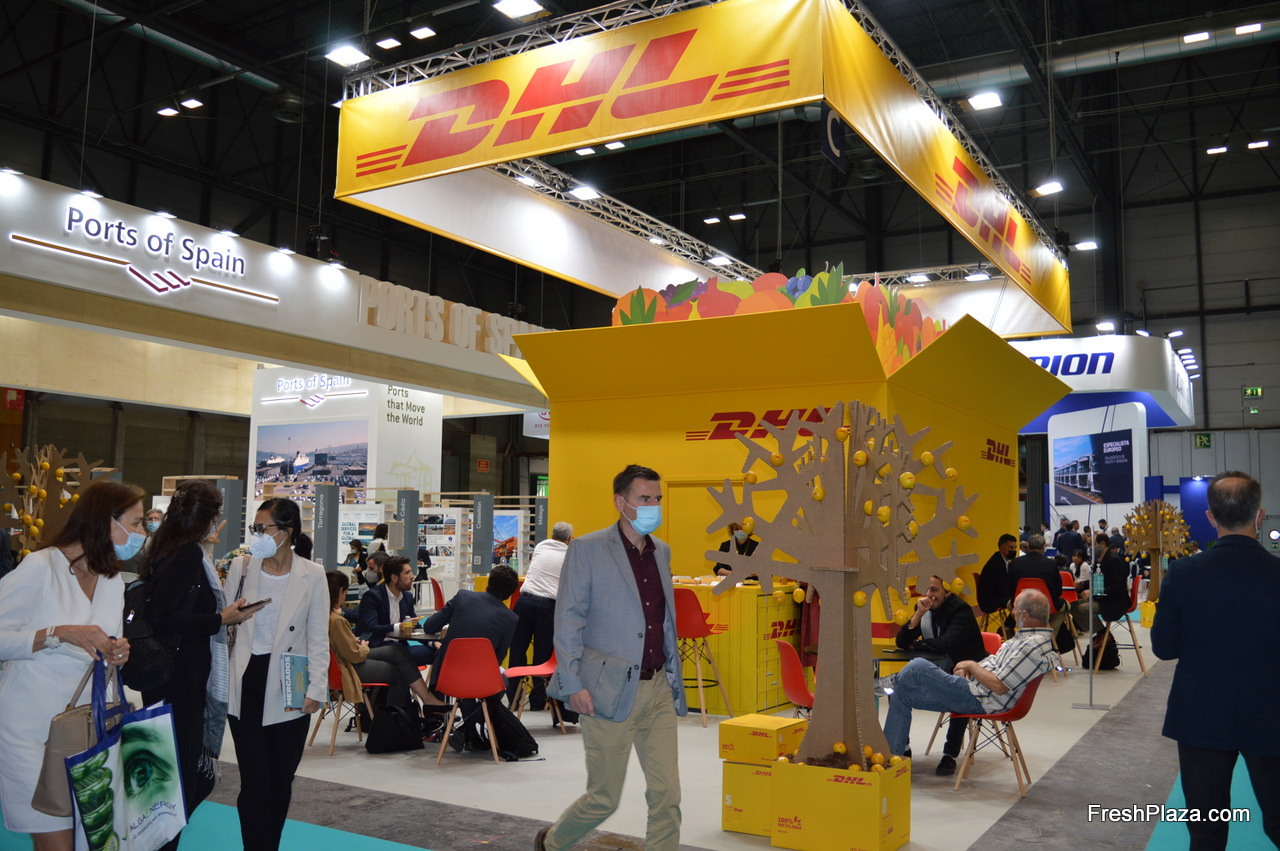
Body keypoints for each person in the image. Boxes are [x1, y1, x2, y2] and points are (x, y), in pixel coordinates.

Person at [539, 464, 688, 851]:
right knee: (603, 798)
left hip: (658, 689)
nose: (653, 506)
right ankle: (552, 843)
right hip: (606, 689)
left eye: (657, 499)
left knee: (667, 795)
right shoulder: (587, 549)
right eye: (644, 498)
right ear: (620, 502)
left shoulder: (662, 552)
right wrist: (572, 683)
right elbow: (568, 620)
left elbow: (661, 620)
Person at [0, 479, 137, 851]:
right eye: (136, 522)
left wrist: (117, 652)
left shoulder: (112, 579)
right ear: (106, 521)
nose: (142, 532)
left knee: (90, 839)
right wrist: (57, 634)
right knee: (56, 840)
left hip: (89, 727)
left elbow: (105, 642)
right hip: (32, 729)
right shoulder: (41, 566)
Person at [1152, 471, 1280, 848]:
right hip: (1271, 712)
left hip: (1201, 714)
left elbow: (1164, 647)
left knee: (1206, 829)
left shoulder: (1183, 573)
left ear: (1211, 517)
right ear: (1259, 515)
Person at [140, 479, 261, 851]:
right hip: (182, 683)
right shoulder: (187, 554)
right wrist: (221, 619)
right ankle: (156, 843)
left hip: (171, 680)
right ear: (206, 517)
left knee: (179, 779)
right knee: (184, 781)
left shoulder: (168, 547)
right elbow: (164, 616)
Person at [224, 498, 328, 851]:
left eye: (262, 528)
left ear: (287, 532)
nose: (256, 535)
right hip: (247, 678)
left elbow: (318, 635)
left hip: (291, 681)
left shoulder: (312, 574)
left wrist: (317, 686)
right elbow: (224, 624)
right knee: (254, 779)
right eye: (254, 528)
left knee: (281, 779)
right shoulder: (241, 567)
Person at [880, 589, 1054, 759]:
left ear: (1024, 615)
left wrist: (970, 665)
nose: (1012, 613)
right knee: (901, 694)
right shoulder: (1024, 639)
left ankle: (885, 684)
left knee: (918, 666)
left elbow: (999, 686)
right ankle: (894, 758)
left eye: (1015, 609)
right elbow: (994, 664)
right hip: (974, 689)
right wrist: (969, 669)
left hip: (981, 699)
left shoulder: (1031, 646)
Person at [324, 571, 447, 730]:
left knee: (398, 652)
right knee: (400, 667)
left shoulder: (326, 616)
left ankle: (404, 719)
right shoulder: (339, 619)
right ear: (340, 591)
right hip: (349, 666)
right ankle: (396, 723)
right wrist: (363, 646)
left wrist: (353, 641)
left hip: (344, 661)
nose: (412, 576)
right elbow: (354, 654)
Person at [420, 564, 520, 750]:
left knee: (465, 683)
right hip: (480, 679)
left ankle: (468, 731)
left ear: (488, 583)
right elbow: (497, 659)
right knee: (501, 681)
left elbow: (429, 627)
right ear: (509, 595)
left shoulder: (463, 597)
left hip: (446, 676)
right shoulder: (510, 618)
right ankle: (469, 729)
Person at [895, 574, 987, 775]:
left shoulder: (961, 610)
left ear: (947, 591)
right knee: (900, 688)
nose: (929, 595)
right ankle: (902, 747)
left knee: (959, 688)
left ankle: (950, 755)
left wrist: (917, 644)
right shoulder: (924, 609)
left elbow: (946, 643)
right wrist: (918, 614)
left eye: (934, 590)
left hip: (969, 671)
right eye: (927, 590)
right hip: (940, 668)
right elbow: (901, 642)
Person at [508, 521, 574, 718]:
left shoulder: (541, 546)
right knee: (542, 655)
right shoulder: (570, 555)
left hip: (524, 602)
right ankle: (537, 700)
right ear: (569, 539)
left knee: (517, 650)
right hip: (547, 607)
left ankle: (513, 698)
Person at [357, 556, 432, 666]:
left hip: (399, 647)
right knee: (399, 652)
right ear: (394, 577)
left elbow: (416, 626)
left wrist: (432, 642)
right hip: (377, 646)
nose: (412, 576)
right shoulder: (373, 596)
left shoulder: (407, 597)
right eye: (407, 573)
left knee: (439, 651)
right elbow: (371, 627)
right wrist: (398, 627)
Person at [1070, 533, 1128, 635]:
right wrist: (1083, 584)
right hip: (1102, 597)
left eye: (1093, 544)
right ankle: (1100, 634)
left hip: (1113, 601)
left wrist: (1092, 592)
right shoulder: (1099, 560)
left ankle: (1103, 635)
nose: (1091, 548)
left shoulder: (1113, 560)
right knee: (1072, 606)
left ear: (1102, 544)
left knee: (1082, 609)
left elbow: (1116, 587)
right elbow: (1098, 581)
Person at [1008, 534, 1066, 623]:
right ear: (1043, 547)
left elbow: (1010, 588)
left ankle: (1012, 625)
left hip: (1021, 605)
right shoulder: (1051, 564)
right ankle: (1050, 630)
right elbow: (1058, 591)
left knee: (1009, 604)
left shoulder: (1015, 562)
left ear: (1028, 546)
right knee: (1065, 607)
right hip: (1047, 605)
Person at [976, 533, 1018, 621]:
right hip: (990, 601)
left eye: (1015, 547)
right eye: (1011, 547)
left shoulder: (1002, 560)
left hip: (996, 596)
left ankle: (1007, 626)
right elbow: (1002, 589)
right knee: (1022, 602)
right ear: (1001, 547)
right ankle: (1009, 626)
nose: (1014, 550)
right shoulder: (996, 564)